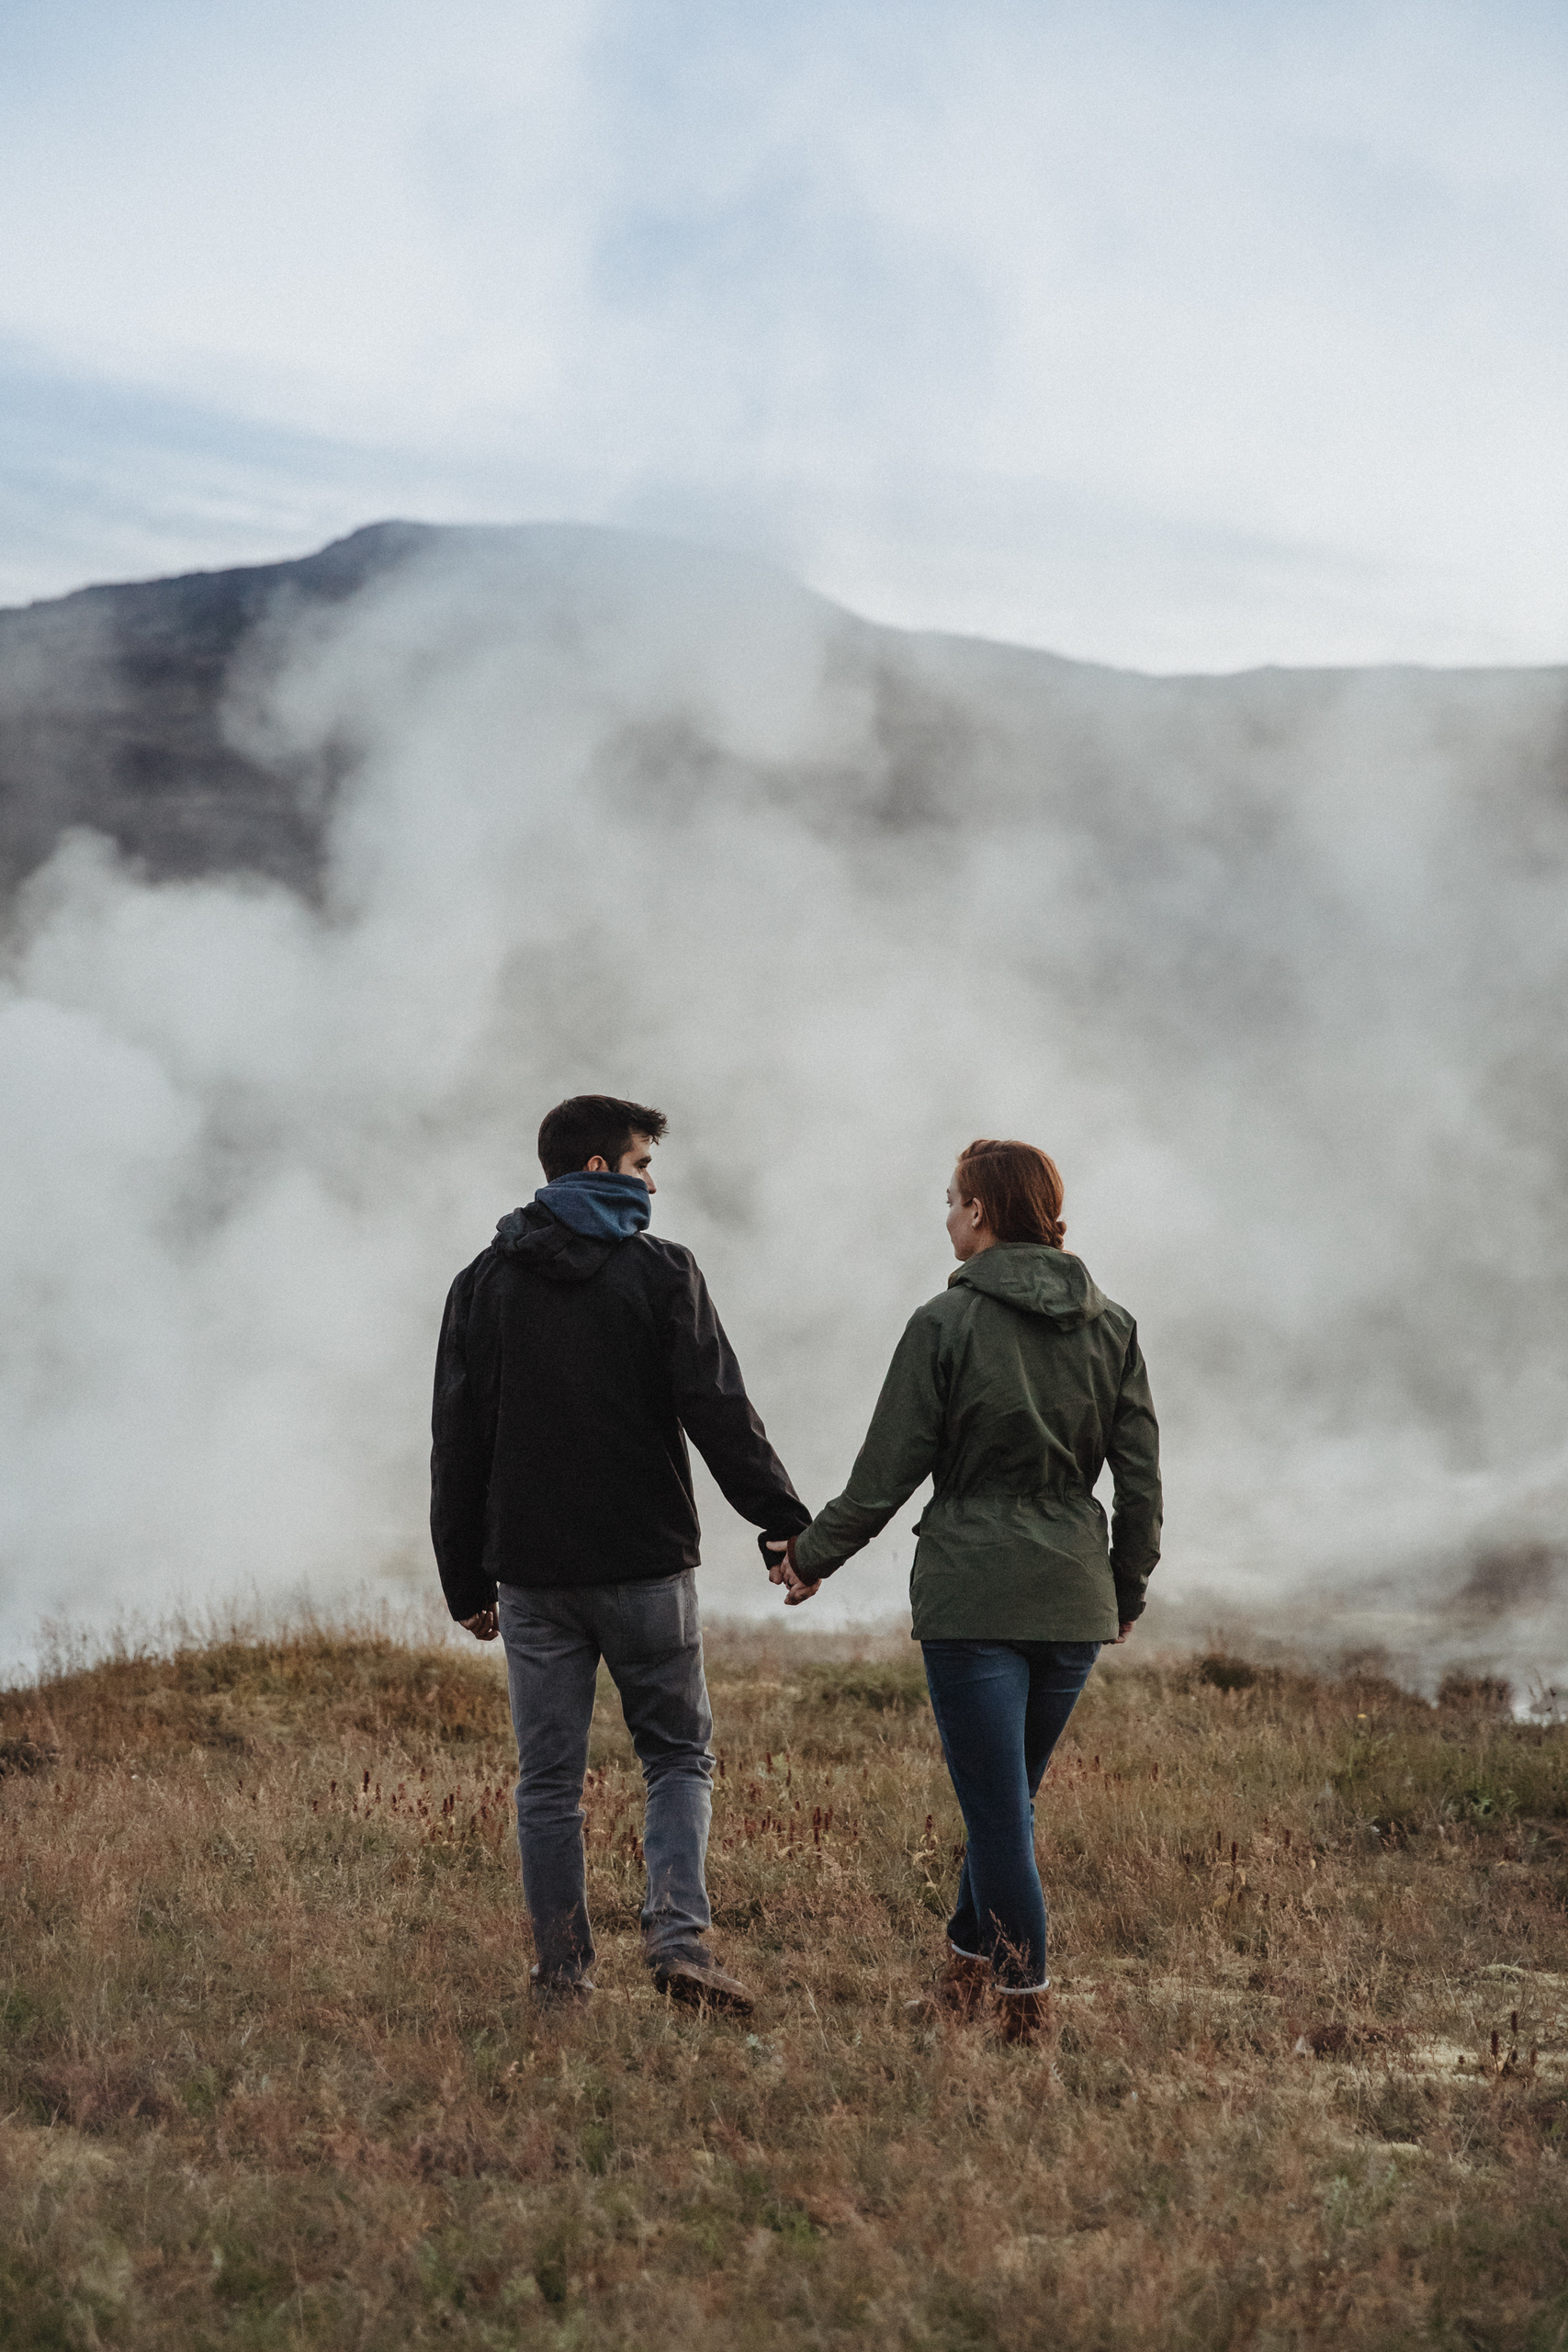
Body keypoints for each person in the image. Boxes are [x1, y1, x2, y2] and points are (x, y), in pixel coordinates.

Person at [768, 1138, 1160, 2041]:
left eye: (952, 1201)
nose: (946, 1217)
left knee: (997, 1819)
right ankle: (964, 1977)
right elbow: (1141, 1484)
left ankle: (1027, 2013)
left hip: (972, 1597)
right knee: (1004, 1802)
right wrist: (1124, 1589)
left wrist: (813, 1554)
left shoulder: (942, 1325)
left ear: (982, 1212)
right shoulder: (1114, 1327)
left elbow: (887, 1470)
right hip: (1072, 1600)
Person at [432, 1092, 810, 2013]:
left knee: (548, 1780)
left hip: (531, 1575)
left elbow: (457, 1441)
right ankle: (678, 1938)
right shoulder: (660, 1271)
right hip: (647, 1567)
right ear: (599, 1169)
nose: (653, 1180)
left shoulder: (485, 1280)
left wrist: (464, 1581)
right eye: (644, 1164)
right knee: (678, 1755)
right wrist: (780, 1522)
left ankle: (563, 1977)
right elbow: (719, 1410)